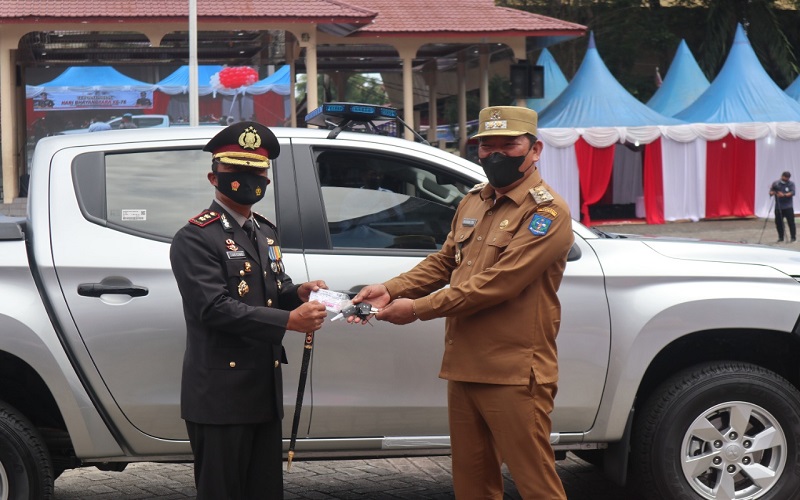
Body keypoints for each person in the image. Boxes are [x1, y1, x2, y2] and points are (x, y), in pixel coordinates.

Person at [350, 106, 573, 499]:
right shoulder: (474, 201)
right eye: (487, 146)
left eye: (510, 144)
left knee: (536, 483)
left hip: (514, 372)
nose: (497, 154)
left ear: (535, 149)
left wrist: (417, 309)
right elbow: (443, 262)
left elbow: (498, 284)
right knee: (472, 485)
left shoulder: (546, 212)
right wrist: (392, 289)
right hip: (466, 365)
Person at [169, 121, 328, 499]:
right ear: (214, 176)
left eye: (257, 171)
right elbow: (214, 308)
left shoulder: (264, 231)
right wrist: (289, 321)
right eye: (236, 169)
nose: (248, 178)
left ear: (267, 181)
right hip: (220, 397)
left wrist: (298, 294)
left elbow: (271, 290)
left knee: (264, 492)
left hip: (262, 391)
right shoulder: (196, 237)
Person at [769, 171, 796, 243]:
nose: (785, 178)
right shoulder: (776, 183)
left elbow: (792, 192)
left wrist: (783, 195)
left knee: (791, 222)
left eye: (787, 178)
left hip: (788, 207)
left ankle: (793, 237)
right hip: (778, 207)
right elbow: (771, 192)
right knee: (779, 223)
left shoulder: (791, 184)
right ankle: (780, 237)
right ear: (782, 176)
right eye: (784, 177)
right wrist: (774, 192)